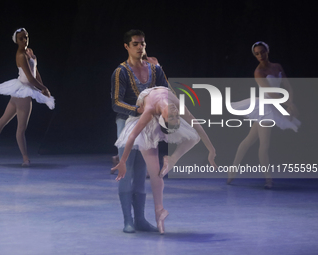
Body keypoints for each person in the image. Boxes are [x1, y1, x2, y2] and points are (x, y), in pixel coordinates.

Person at [112, 86, 217, 234]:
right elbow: (132, 136)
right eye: (175, 117)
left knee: (191, 140)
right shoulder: (171, 108)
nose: (175, 113)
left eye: (173, 117)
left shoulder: (154, 111)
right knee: (155, 170)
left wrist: (211, 150)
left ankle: (159, 210)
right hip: (142, 119)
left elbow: (197, 126)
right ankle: (157, 211)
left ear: (163, 118)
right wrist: (122, 161)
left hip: (146, 117)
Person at [111, 29, 172, 233]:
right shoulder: (121, 71)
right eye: (135, 44)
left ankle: (140, 219)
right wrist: (136, 109)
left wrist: (159, 68)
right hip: (126, 121)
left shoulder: (154, 69)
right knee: (126, 170)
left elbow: (166, 91)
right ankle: (128, 220)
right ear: (127, 46)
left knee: (141, 173)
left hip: (148, 124)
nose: (140, 47)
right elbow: (116, 102)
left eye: (142, 43)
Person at [227, 41, 300, 189]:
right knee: (264, 144)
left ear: (267, 51)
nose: (260, 55)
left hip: (276, 104)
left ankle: (232, 169)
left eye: (262, 52)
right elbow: (271, 93)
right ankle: (268, 179)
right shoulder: (258, 72)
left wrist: (290, 103)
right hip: (265, 106)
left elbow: (288, 86)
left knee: (249, 139)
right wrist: (288, 105)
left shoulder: (277, 66)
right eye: (257, 53)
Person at [0, 28, 54, 166]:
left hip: (19, 91)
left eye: (26, 37)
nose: (25, 40)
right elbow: (30, 78)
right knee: (21, 129)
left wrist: (42, 86)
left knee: (3, 120)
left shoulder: (28, 53)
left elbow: (35, 72)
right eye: (21, 38)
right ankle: (25, 159)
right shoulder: (21, 55)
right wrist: (43, 88)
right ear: (16, 40)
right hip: (23, 92)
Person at [111, 49, 160, 173]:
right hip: (129, 111)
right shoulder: (126, 69)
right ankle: (120, 160)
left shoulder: (152, 62)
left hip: (148, 109)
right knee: (126, 140)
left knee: (148, 140)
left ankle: (147, 169)